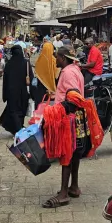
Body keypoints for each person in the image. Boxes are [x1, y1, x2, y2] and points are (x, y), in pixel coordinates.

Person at [43, 47, 86, 208]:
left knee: (66, 154)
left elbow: (73, 97)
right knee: (74, 154)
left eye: (57, 57)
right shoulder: (75, 69)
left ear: (63, 58)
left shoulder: (67, 72)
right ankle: (74, 186)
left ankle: (63, 193)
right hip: (76, 117)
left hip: (68, 118)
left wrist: (58, 109)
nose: (55, 60)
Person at [0, 45, 33, 136]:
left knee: (13, 111)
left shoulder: (9, 64)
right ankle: (19, 129)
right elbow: (31, 77)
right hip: (23, 93)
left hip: (11, 93)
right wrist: (33, 93)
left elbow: (5, 81)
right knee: (21, 111)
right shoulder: (26, 63)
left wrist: (5, 95)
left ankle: (18, 129)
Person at [32, 40, 57, 107]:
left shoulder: (39, 60)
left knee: (39, 107)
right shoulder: (55, 61)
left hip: (40, 89)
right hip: (52, 89)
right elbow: (57, 75)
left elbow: (36, 73)